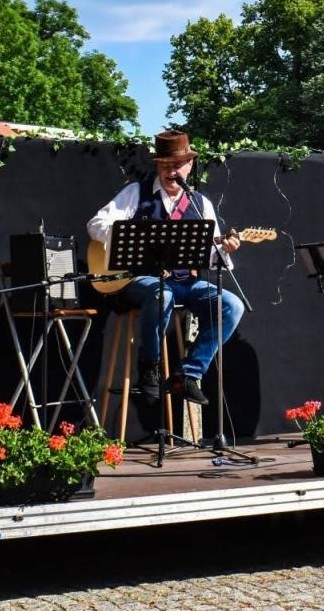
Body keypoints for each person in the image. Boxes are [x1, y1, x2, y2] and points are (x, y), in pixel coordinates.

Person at [87, 130, 242, 406]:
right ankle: (150, 368)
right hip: (140, 281)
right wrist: (130, 233)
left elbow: (211, 257)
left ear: (190, 165)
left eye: (178, 165)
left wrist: (224, 250)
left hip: (187, 283)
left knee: (232, 305)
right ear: (157, 165)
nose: (172, 171)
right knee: (163, 294)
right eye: (166, 165)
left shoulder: (200, 203)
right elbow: (95, 225)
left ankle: (188, 374)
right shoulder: (137, 193)